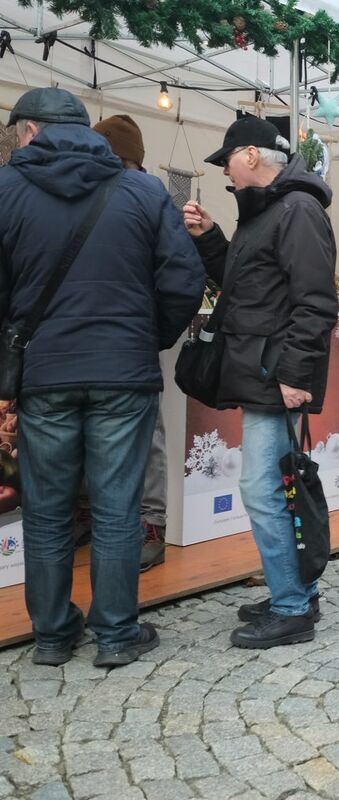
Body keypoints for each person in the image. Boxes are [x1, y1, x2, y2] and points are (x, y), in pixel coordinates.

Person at [0, 88, 204, 667]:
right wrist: (147, 337)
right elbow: (184, 280)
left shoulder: (7, 189)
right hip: (124, 373)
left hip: (45, 374)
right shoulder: (142, 190)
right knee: (118, 508)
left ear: (30, 131)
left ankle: (52, 634)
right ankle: (115, 634)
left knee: (46, 509)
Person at [181, 116, 338, 649]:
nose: (224, 170)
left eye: (226, 158)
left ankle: (292, 606)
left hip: (275, 377)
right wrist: (210, 241)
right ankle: (295, 591)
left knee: (263, 489)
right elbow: (247, 286)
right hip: (264, 373)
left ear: (251, 155)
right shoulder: (271, 211)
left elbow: (316, 302)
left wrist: (295, 375)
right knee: (276, 489)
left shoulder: (296, 210)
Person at [93, 114, 176, 572]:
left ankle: (150, 526)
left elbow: (177, 276)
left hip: (128, 340)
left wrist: (155, 330)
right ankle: (128, 523)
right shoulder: (85, 189)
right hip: (112, 339)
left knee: (146, 438)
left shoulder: (149, 197)